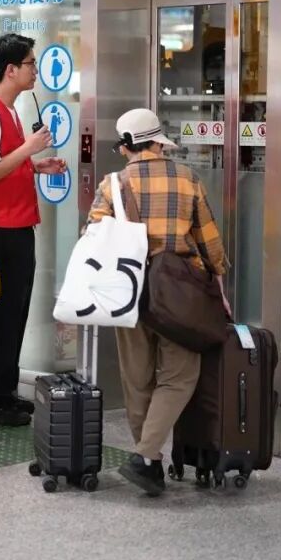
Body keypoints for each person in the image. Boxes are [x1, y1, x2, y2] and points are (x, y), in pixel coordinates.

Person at [87, 107, 229, 496]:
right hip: (180, 295)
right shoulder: (187, 179)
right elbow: (209, 241)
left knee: (137, 379)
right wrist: (219, 281)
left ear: (126, 147)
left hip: (129, 293)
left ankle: (148, 462)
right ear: (159, 143)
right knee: (180, 376)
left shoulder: (112, 185)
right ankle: (145, 455)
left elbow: (93, 239)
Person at [0, 33, 65, 426]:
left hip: (18, 223)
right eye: (30, 64)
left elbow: (3, 163)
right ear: (10, 70)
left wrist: (35, 166)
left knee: (14, 313)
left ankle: (4, 391)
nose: (35, 71)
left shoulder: (8, 110)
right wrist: (29, 150)